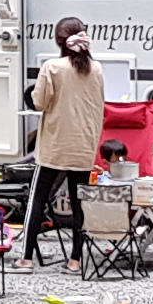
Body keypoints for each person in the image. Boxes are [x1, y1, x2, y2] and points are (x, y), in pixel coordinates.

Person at [26, 16, 106, 263]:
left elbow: (39, 102)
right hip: (83, 145)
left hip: (55, 145)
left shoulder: (52, 67)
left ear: (59, 41)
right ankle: (75, 259)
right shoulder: (97, 68)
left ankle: (26, 258)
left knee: (37, 199)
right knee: (78, 202)